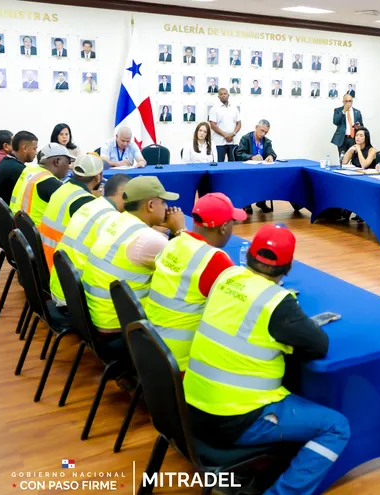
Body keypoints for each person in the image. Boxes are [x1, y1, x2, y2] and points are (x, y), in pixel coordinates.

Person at [184, 224, 348, 495]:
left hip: (191, 407)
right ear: (289, 266)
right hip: (234, 420)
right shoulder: (277, 303)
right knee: (336, 427)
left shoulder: (226, 276)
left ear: (247, 255)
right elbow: (319, 345)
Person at [145, 193, 245, 371]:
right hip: (183, 364)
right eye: (232, 223)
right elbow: (241, 306)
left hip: (151, 349)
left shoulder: (173, 243)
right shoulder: (215, 260)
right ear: (223, 228)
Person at [82, 176, 185, 335]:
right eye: (164, 202)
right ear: (151, 205)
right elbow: (185, 268)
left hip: (97, 315)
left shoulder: (116, 220)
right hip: (120, 325)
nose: (167, 207)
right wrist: (180, 230)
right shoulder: (148, 239)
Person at [48, 173, 130, 306]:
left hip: (61, 287)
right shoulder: (111, 219)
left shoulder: (90, 205)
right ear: (125, 195)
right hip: (75, 302)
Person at [38, 154, 104, 269]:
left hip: (48, 256)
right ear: (98, 177)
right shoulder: (86, 202)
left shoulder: (63, 188)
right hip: (61, 267)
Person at [8, 143, 74, 226]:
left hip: (19, 227)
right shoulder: (50, 182)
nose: (69, 167)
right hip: (37, 233)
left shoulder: (29, 171)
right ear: (57, 161)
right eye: (68, 162)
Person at [0, 131, 38, 205]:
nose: (36, 152)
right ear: (24, 148)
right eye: (34, 149)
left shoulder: (6, 161)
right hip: (8, 212)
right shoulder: (17, 170)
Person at [208, 88, 242, 162]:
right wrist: (225, 135)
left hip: (233, 141)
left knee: (233, 164)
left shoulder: (234, 108)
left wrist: (232, 134)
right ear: (218, 97)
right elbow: (213, 125)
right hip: (219, 142)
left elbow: (239, 123)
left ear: (228, 95)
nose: (223, 95)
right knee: (219, 164)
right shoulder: (214, 109)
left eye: (225, 93)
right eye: (221, 94)